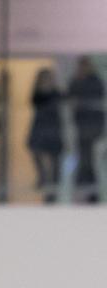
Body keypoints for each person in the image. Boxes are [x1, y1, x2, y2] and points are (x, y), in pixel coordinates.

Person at [68, 57, 105, 200]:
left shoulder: (96, 81)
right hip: (81, 125)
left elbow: (96, 97)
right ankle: (84, 188)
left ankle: (90, 190)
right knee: (84, 157)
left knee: (89, 158)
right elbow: (70, 98)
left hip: (93, 126)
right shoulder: (75, 81)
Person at [28, 69, 64, 201]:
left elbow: (63, 102)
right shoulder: (37, 94)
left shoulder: (57, 93)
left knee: (55, 160)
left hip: (53, 129)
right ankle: (43, 177)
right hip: (40, 127)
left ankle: (53, 188)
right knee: (36, 151)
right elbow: (35, 101)